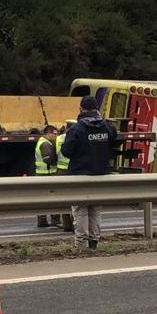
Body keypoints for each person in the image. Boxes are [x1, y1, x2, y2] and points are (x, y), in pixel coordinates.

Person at [61, 97, 117, 251]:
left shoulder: (77, 129)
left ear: (81, 109)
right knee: (95, 209)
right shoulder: (107, 127)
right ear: (97, 109)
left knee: (80, 210)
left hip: (79, 174)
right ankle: (94, 242)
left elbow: (66, 151)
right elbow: (114, 146)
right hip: (100, 174)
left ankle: (81, 244)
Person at [34, 125, 59, 228]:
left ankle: (42, 220)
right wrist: (57, 160)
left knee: (42, 199)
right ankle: (54, 219)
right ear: (48, 133)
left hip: (42, 174)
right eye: (55, 134)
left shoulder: (43, 142)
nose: (56, 136)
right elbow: (48, 159)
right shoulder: (45, 144)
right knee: (53, 198)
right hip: (47, 173)